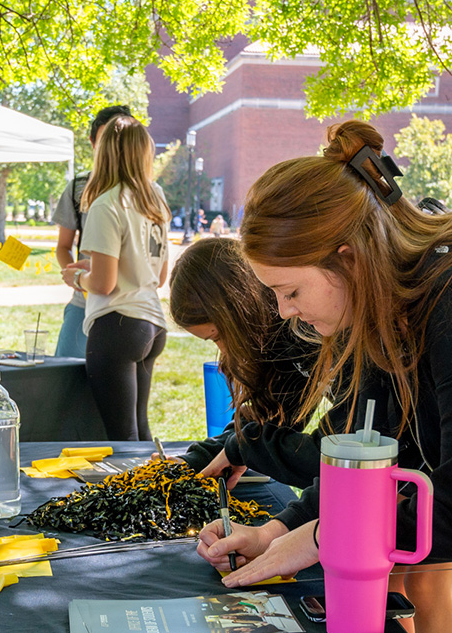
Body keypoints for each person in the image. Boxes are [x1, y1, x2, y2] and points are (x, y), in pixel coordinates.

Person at [196, 120, 452, 633]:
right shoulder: (395, 300)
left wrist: (326, 537)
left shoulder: (444, 300)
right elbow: (373, 453)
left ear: (350, 259)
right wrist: (279, 529)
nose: (285, 313)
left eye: (291, 291)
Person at [168, 237, 341, 488]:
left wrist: (242, 448)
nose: (223, 350)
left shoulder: (305, 328)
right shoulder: (280, 340)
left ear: (238, 310)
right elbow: (272, 416)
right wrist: (197, 459)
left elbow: (340, 457)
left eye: (219, 336)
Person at [61, 114, 169, 440]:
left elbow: (104, 284)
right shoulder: (155, 200)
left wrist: (77, 279)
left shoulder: (106, 204)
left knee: (122, 438)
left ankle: (137, 492)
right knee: (140, 431)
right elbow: (159, 274)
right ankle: (158, 490)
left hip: (117, 326)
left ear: (104, 153)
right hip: (152, 323)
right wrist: (92, 270)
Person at [52, 104, 132, 357]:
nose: (113, 148)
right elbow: (63, 246)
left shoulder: (144, 192)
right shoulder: (78, 188)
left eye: (121, 140)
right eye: (106, 139)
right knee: (64, 378)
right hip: (83, 303)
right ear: (93, 142)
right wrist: (78, 281)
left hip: (126, 309)